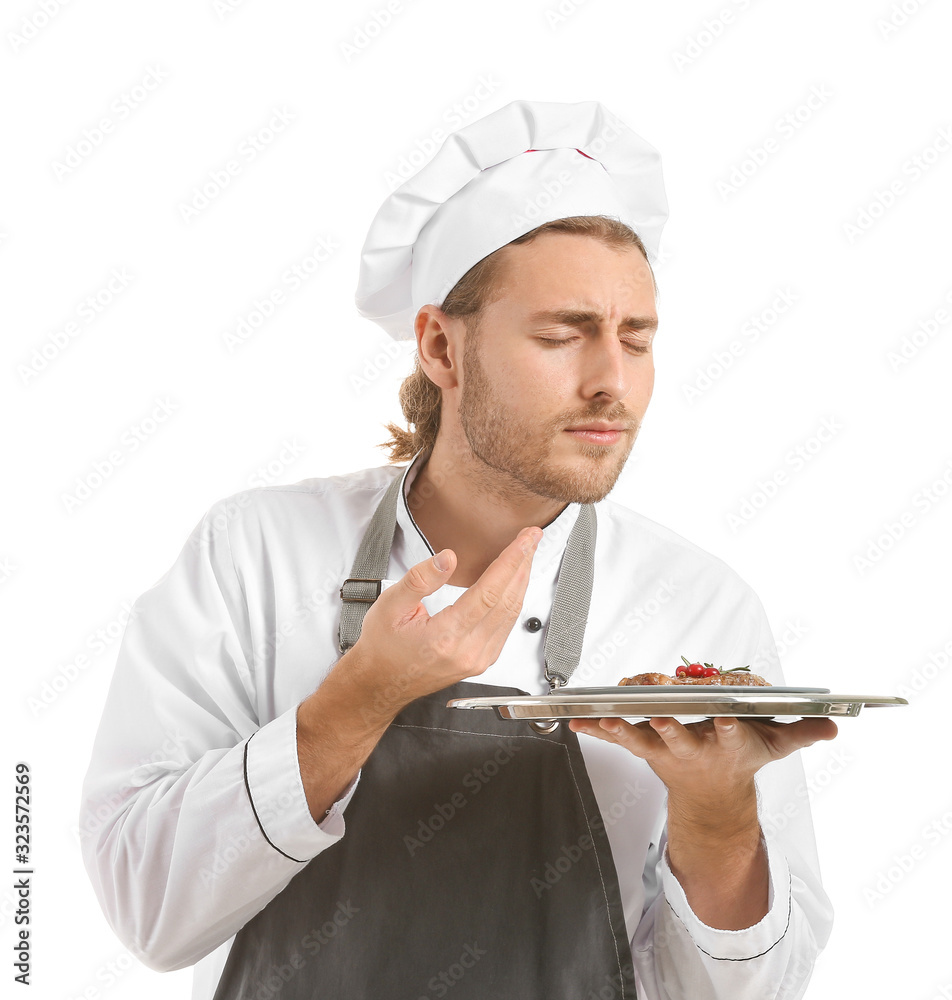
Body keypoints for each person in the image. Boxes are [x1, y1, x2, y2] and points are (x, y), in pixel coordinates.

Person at [80, 100, 836, 999]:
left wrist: (717, 820)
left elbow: (748, 993)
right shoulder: (253, 555)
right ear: (441, 346)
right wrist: (355, 703)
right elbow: (146, 912)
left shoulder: (696, 605)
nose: (612, 382)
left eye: (636, 339)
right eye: (562, 335)